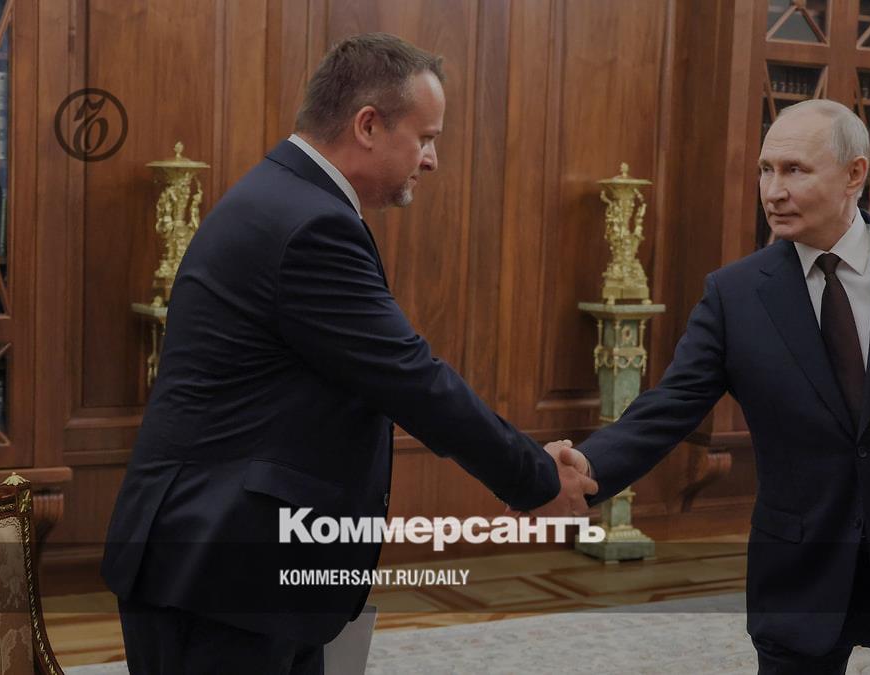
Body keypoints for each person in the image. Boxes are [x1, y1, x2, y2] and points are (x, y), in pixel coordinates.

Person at [102, 33, 596, 674]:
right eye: (425, 138)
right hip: (223, 576)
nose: (432, 160)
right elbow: (411, 379)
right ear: (367, 125)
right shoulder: (311, 224)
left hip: (243, 570)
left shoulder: (288, 197)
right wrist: (536, 478)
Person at [558, 99, 870, 674]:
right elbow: (670, 406)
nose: (773, 191)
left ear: (854, 175)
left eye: (795, 170)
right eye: (765, 170)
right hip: (799, 575)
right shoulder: (734, 294)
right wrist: (587, 466)